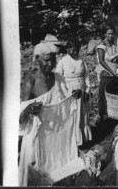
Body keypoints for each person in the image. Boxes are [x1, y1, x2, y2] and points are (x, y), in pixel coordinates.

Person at [19, 42, 82, 186]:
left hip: (55, 140)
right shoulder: (31, 83)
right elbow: (20, 119)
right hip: (35, 141)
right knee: (37, 178)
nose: (50, 63)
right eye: (46, 60)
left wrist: (75, 95)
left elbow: (66, 101)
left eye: (53, 59)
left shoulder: (59, 79)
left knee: (58, 175)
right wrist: (29, 110)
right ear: (37, 59)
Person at [54, 41, 92, 142]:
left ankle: (82, 139)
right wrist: (68, 93)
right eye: (73, 49)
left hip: (81, 89)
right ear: (67, 49)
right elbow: (58, 79)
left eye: (77, 49)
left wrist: (87, 90)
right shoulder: (63, 61)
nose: (75, 51)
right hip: (70, 91)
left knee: (82, 114)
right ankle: (72, 140)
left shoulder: (81, 59)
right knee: (72, 114)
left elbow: (86, 75)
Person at [94, 26, 118, 124]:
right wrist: (111, 71)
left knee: (111, 93)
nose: (110, 35)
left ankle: (111, 114)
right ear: (105, 34)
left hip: (113, 74)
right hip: (104, 72)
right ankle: (102, 115)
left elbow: (117, 59)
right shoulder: (102, 45)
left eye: (112, 33)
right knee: (102, 94)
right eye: (108, 33)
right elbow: (101, 60)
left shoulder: (113, 45)